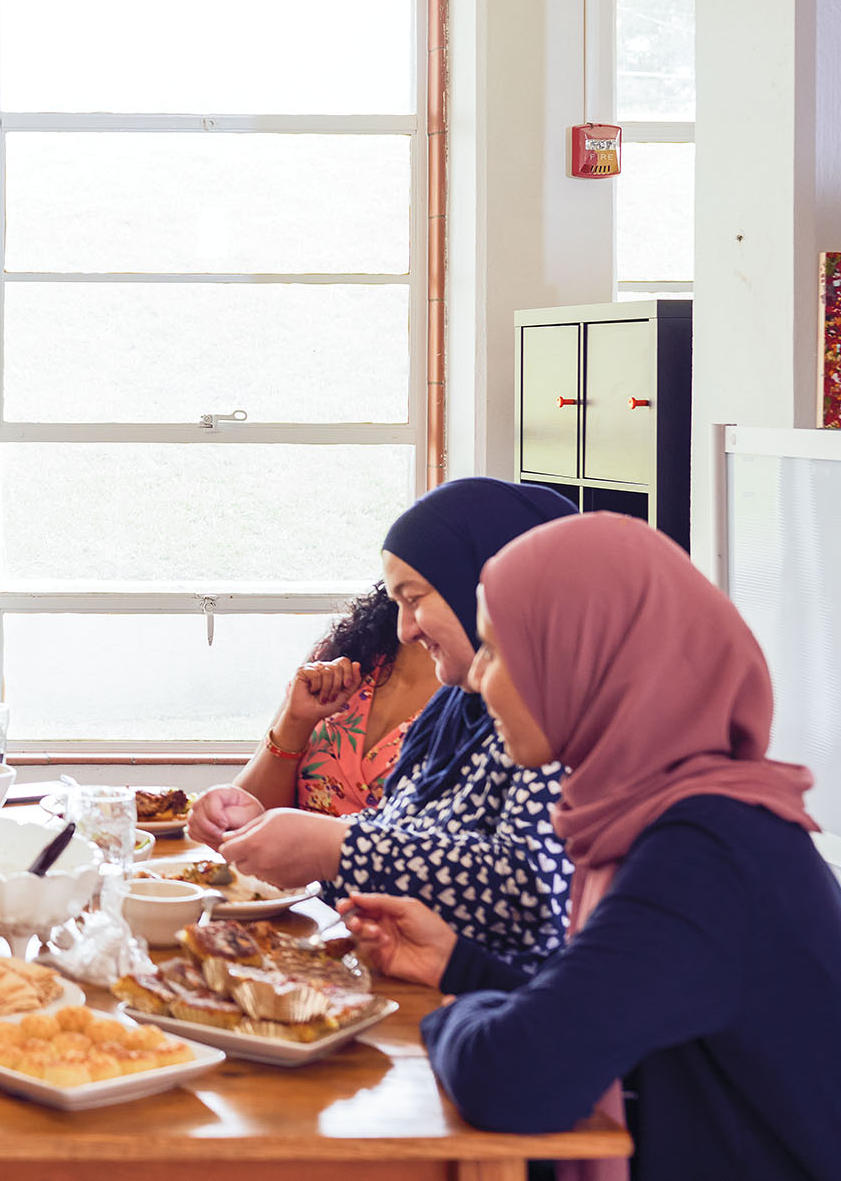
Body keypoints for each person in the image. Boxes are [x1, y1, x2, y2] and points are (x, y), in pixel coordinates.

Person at [345, 514, 838, 1181]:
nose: (479, 678)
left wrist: (450, 1016)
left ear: (583, 656)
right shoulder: (663, 818)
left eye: (498, 649)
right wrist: (458, 966)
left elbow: (514, 1075)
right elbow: (609, 1012)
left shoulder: (703, 852)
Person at [191, 477, 577, 973]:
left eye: (415, 599)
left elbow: (529, 889)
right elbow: (404, 826)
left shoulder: (555, 715)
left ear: (479, 586)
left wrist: (336, 848)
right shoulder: (456, 711)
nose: (404, 630)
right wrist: (281, 831)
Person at [227, 584, 434, 818]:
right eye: (400, 593)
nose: (406, 628)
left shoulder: (477, 691)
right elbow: (243, 817)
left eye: (417, 597)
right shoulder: (353, 648)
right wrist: (295, 722)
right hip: (282, 853)